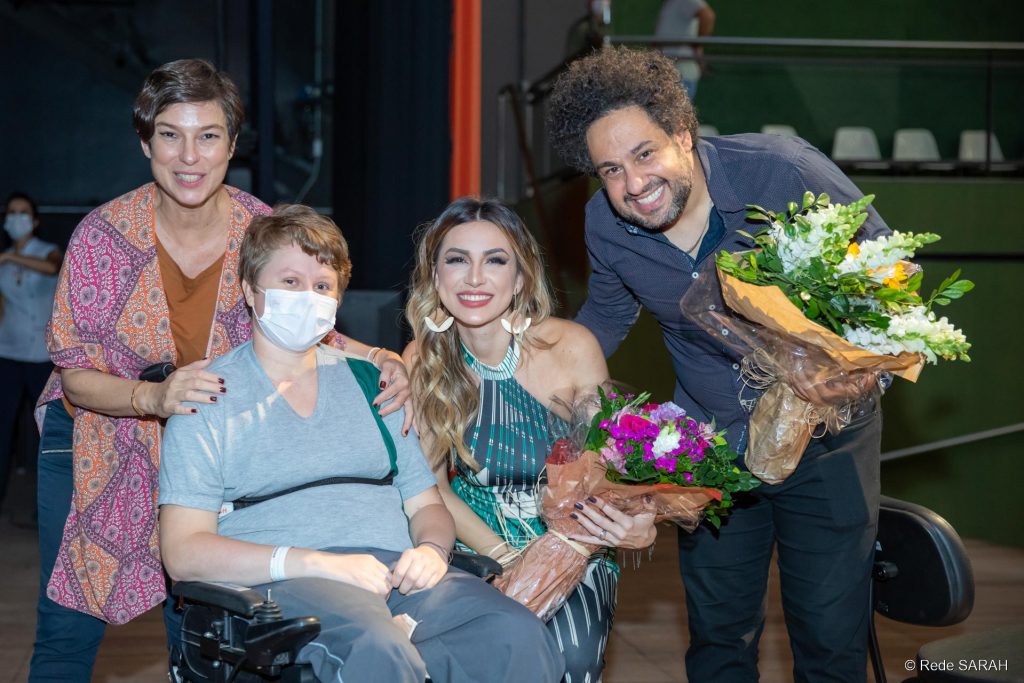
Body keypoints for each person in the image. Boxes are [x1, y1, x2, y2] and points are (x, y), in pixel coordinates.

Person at [31, 59, 410, 683]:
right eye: (170, 135)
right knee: (68, 630)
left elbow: (308, 317)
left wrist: (380, 358)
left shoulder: (261, 228)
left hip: (212, 448)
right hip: (95, 438)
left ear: (232, 145)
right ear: (145, 142)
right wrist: (155, 398)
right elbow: (75, 374)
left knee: (205, 626)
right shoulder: (102, 237)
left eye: (208, 135)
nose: (190, 156)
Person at [546, 46, 886, 683]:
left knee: (829, 638)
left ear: (683, 134)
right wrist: (520, 364)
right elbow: (606, 318)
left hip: (825, 439)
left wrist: (861, 363)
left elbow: (886, 272)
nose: (633, 184)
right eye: (611, 170)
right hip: (710, 450)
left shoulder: (782, 173)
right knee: (718, 639)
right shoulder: (605, 224)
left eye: (644, 154)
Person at [158, 204, 564, 683]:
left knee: (513, 632)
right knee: (377, 648)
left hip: (396, 573)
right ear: (249, 290)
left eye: (322, 286)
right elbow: (183, 552)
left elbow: (425, 503)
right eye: (290, 281)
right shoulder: (207, 397)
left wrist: (432, 550)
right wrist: (319, 564)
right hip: (288, 580)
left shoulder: (376, 384)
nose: (307, 297)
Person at [404, 197, 658, 682]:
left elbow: (612, 465)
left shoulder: (570, 346)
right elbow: (432, 489)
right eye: (456, 260)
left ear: (520, 277)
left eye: (495, 261)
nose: (474, 278)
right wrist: (506, 557)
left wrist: (636, 519)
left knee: (567, 656)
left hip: (576, 547)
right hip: (472, 548)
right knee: (454, 657)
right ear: (435, 277)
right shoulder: (423, 359)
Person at [0, 193, 62, 518]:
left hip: (41, 355)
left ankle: (47, 506)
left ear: (35, 220)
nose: (16, 218)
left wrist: (11, 258)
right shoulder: (3, 259)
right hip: (7, 352)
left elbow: (53, 267)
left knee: (46, 432)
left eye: (23, 212)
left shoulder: (46, 249)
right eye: (11, 212)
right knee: (3, 427)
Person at [654, 0, 716, 100]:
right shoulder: (670, 3)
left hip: (680, 74)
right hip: (670, 73)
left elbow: (707, 16)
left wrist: (696, 44)